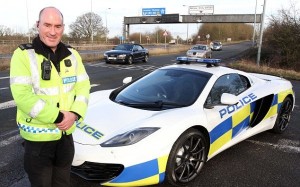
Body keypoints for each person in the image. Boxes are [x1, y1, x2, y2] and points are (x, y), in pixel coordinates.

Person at [10, 7, 90, 187]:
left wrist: (75, 114)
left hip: (66, 137)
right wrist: (60, 117)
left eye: (57, 26)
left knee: (63, 182)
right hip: (38, 143)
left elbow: (83, 86)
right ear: (38, 25)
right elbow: (22, 96)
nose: (53, 32)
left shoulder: (73, 54)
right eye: (47, 25)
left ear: (63, 27)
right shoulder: (23, 55)